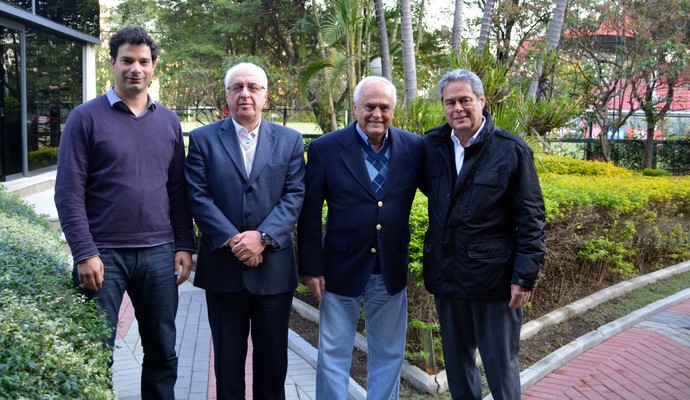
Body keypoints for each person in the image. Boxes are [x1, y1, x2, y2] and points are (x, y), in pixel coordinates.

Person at [54, 26, 195, 399]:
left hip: (160, 254)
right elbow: (68, 193)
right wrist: (84, 251)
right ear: (112, 63)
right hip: (104, 256)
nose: (136, 68)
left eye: (143, 62)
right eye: (127, 61)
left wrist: (184, 243)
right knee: (95, 353)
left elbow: (176, 190)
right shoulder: (85, 118)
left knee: (163, 351)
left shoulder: (168, 121)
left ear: (154, 67)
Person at [421, 68, 546, 400]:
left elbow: (531, 218)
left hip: (494, 282)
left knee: (500, 367)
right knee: (458, 366)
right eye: (450, 102)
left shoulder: (511, 150)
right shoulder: (431, 147)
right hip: (447, 277)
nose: (458, 109)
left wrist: (525, 276)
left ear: (481, 100)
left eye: (465, 100)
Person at [184, 62, 305, 399]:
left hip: (274, 273)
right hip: (223, 272)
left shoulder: (290, 140)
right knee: (227, 368)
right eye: (237, 87)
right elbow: (197, 194)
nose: (245, 94)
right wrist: (235, 240)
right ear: (227, 94)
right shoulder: (203, 139)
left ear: (266, 94)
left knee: (272, 368)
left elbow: (294, 194)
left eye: (253, 87)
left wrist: (262, 238)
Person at [298, 76, 424, 399]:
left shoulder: (414, 147)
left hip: (390, 270)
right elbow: (310, 213)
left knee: (389, 356)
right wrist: (311, 267)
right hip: (339, 269)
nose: (377, 114)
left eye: (384, 107)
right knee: (333, 356)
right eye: (369, 106)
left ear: (393, 109)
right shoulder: (326, 149)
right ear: (355, 107)